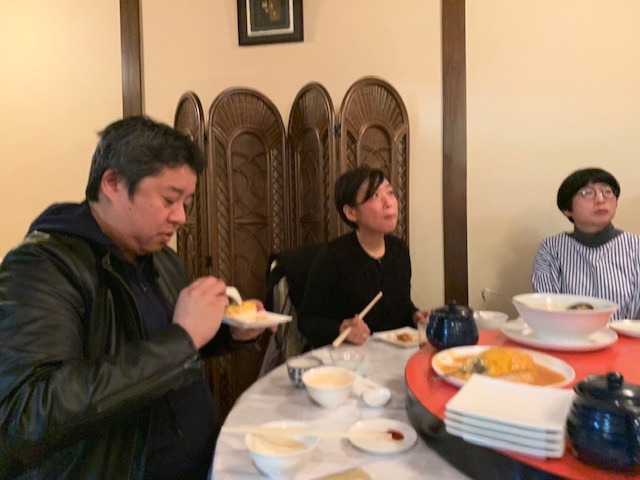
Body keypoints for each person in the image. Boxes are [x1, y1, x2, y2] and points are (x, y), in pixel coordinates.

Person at [0, 116, 268, 479]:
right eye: (169, 199)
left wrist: (226, 331)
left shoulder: (161, 259)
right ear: (112, 183)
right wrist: (185, 338)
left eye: (187, 202)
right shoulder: (42, 267)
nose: (181, 217)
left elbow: (159, 344)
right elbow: (29, 414)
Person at [298, 166, 428, 348]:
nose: (388, 203)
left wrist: (414, 315)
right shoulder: (333, 257)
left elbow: (400, 304)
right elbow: (307, 321)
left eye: (390, 193)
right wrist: (340, 329)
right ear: (351, 213)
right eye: (375, 196)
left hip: (394, 353)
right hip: (350, 356)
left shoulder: (399, 250)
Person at [532, 167, 640, 320]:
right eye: (586, 193)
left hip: (626, 334)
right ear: (567, 209)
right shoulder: (551, 249)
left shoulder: (636, 247)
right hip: (565, 334)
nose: (600, 200)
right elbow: (547, 309)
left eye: (607, 192)